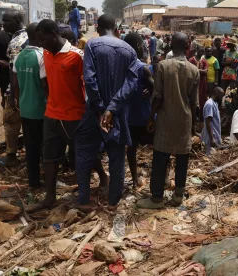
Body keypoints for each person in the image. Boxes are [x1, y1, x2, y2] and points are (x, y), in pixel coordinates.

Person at [35, 19, 107, 210]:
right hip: (52, 115)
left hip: (74, 116)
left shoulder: (77, 56)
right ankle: (50, 197)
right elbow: (46, 82)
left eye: (43, 39)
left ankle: (101, 178)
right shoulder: (45, 53)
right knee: (49, 157)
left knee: (83, 153)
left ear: (53, 33)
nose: (41, 44)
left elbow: (90, 85)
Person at [76, 14, 142, 211]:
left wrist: (101, 108)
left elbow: (89, 78)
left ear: (97, 27)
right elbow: (131, 83)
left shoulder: (92, 45)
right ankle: (114, 201)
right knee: (116, 156)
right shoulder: (129, 50)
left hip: (96, 111)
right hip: (118, 113)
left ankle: (84, 199)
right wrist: (112, 109)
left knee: (84, 151)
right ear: (116, 28)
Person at [136, 32, 199, 209]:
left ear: (171, 46)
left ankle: (156, 198)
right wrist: (193, 126)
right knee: (182, 160)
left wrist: (150, 118)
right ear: (187, 47)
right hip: (184, 120)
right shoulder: (194, 70)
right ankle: (178, 195)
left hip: (165, 119)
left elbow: (157, 97)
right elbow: (194, 103)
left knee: (160, 159)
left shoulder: (163, 66)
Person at [11, 23, 47, 188]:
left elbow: (15, 84)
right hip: (41, 110)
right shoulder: (41, 56)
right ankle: (47, 179)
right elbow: (45, 86)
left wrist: (17, 101)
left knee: (30, 146)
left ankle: (33, 181)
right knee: (44, 146)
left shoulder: (19, 56)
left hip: (25, 109)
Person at [124, 33, 155, 188]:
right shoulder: (143, 69)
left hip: (129, 117)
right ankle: (159, 178)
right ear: (138, 46)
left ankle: (135, 179)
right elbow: (157, 91)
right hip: (145, 115)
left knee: (131, 148)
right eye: (142, 44)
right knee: (157, 146)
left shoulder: (121, 66)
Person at [0, 10, 28, 167]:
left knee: (11, 122)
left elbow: (14, 71)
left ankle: (11, 156)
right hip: (30, 90)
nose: (3, 24)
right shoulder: (29, 37)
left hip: (17, 90)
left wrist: (12, 95)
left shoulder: (16, 42)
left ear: (17, 20)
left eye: (7, 21)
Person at [202, 87, 225, 155]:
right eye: (221, 95)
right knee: (209, 157)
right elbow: (208, 122)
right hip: (211, 137)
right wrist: (212, 139)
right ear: (216, 93)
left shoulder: (215, 103)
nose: (222, 97)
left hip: (215, 135)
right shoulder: (210, 104)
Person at [189, 46, 208, 119]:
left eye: (203, 51)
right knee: (192, 99)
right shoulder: (191, 60)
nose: (202, 52)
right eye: (200, 51)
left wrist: (195, 70)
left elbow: (205, 72)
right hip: (192, 83)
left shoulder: (204, 61)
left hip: (202, 83)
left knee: (202, 99)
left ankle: (199, 116)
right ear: (197, 50)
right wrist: (200, 70)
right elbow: (189, 71)